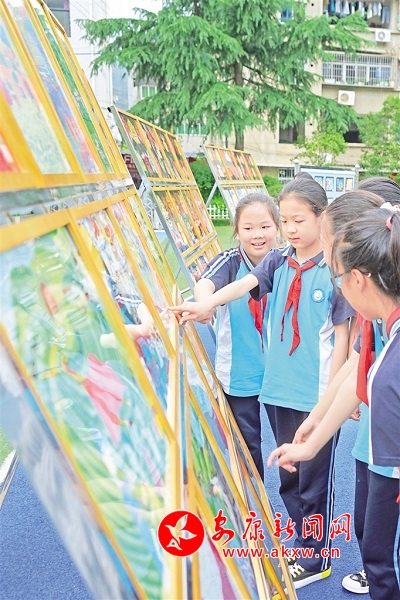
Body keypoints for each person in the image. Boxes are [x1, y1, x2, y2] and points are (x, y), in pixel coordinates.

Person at [169, 177, 355, 589]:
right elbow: (242, 284)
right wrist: (205, 303)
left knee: (314, 479)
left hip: (316, 395)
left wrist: (335, 397)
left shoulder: (336, 270)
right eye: (285, 220)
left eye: (298, 220)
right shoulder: (278, 260)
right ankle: (303, 542)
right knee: (290, 475)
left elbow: (343, 340)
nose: (290, 229)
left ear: (321, 217)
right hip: (278, 390)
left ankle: (317, 556)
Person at [268, 204, 400, 600]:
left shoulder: (390, 368)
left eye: (335, 274)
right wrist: (314, 433)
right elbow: (358, 365)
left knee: (383, 556)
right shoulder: (383, 325)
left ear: (358, 278)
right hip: (383, 456)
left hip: (389, 464)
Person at [193, 193, 280, 480]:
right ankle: (256, 501)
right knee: (247, 445)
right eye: (248, 228)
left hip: (283, 374)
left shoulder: (287, 261)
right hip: (240, 371)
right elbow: (206, 284)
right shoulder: (231, 261)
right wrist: (205, 304)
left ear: (277, 227)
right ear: (237, 231)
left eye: (265, 226)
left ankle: (297, 504)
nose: (258, 235)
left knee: (291, 443)